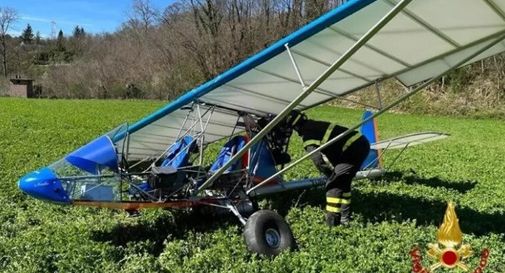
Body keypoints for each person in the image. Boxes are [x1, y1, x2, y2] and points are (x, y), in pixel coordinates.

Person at [285, 110, 370, 226]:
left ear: (295, 127)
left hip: (353, 148)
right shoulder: (315, 124)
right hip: (359, 144)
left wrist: (331, 176)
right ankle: (345, 219)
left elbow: (318, 161)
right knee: (343, 184)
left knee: (333, 185)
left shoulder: (308, 135)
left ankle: (332, 224)